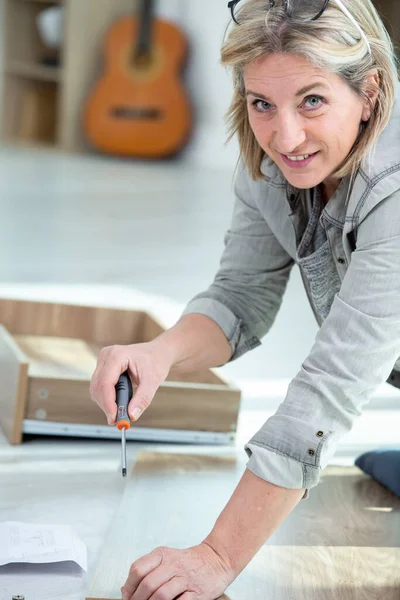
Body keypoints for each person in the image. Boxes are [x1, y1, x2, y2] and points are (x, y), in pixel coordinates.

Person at [90, 0, 400, 598]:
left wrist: (216, 556)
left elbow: (330, 387)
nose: (286, 137)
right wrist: (159, 354)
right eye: (263, 104)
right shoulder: (269, 161)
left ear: (369, 93)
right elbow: (240, 299)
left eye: (312, 100)